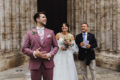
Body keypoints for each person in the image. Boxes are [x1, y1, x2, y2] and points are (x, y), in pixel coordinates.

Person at [22, 12, 59, 80]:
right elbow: (24, 48)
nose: (46, 18)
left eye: (45, 17)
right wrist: (34, 53)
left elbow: (56, 46)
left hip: (48, 64)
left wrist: (50, 54)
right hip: (35, 64)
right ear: (37, 19)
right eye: (43, 17)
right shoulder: (30, 33)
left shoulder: (51, 32)